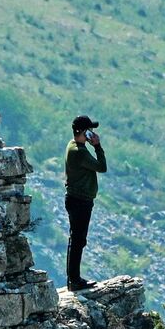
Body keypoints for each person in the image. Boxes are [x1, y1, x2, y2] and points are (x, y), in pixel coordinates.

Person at [63, 115, 107, 290]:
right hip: (80, 201)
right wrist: (97, 146)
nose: (92, 133)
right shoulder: (79, 152)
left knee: (76, 239)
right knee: (78, 240)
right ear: (82, 132)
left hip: (76, 199)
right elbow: (102, 167)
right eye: (89, 131)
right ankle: (74, 280)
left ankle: (72, 279)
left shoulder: (72, 145)